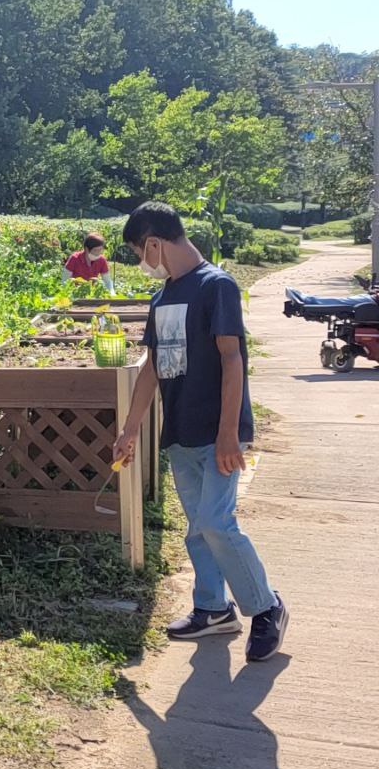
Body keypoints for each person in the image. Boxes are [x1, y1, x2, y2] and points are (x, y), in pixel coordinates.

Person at [112, 202, 287, 663]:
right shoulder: (163, 296)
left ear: (154, 242)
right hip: (181, 431)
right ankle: (212, 609)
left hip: (218, 433)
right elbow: (152, 367)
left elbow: (233, 360)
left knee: (216, 522)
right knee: (197, 528)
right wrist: (130, 430)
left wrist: (230, 433)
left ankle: (266, 607)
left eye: (137, 251)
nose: (140, 262)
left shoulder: (218, 287)